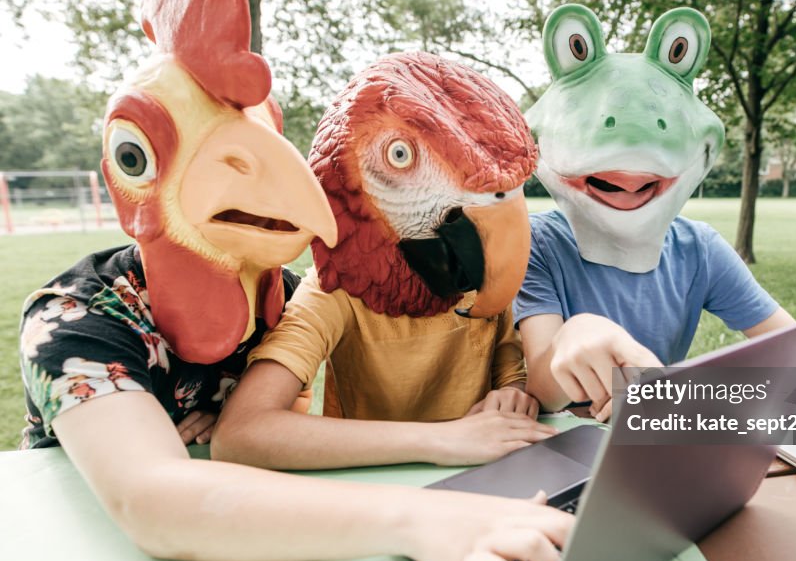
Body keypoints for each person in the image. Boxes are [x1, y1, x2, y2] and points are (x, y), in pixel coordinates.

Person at [18, 0, 570, 561]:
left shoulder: (274, 290)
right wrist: (425, 518)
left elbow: (248, 431)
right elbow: (152, 498)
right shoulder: (72, 321)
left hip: (257, 556)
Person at [213, 52, 555, 470]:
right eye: (399, 154)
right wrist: (441, 440)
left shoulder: (477, 280)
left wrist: (514, 395)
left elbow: (509, 373)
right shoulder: (330, 296)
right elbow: (241, 433)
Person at [514, 4, 796, 421]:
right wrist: (579, 336)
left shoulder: (699, 249)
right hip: (559, 443)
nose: (628, 176)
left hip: (649, 435)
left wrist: (676, 391)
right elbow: (542, 386)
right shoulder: (534, 242)